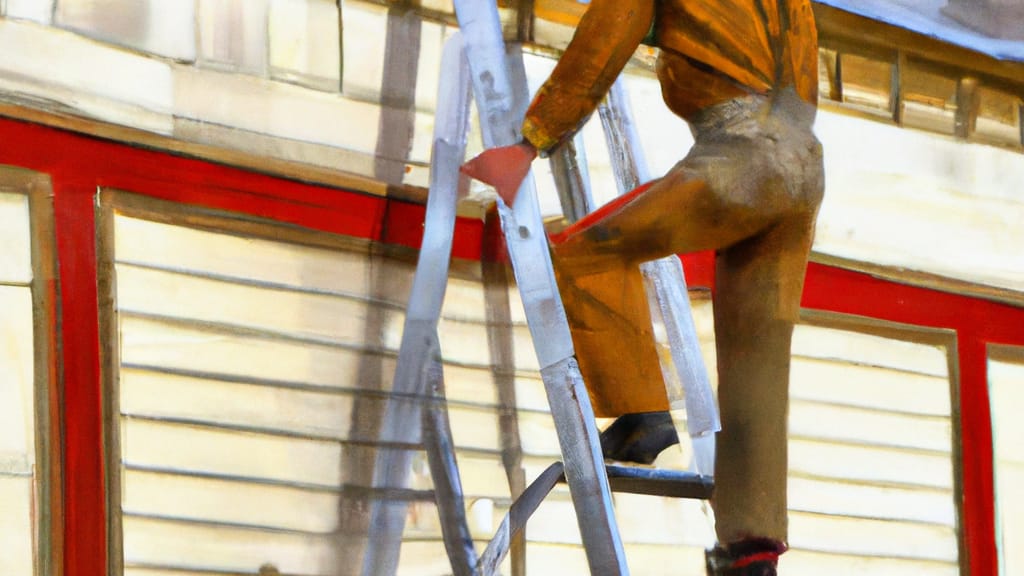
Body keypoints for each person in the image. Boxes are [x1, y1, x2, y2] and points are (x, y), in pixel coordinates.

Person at [462, 0, 824, 573]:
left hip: (742, 154)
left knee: (584, 256)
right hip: (802, 162)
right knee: (759, 361)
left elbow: (608, 34)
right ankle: (751, 550)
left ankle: (641, 414)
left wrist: (530, 142)